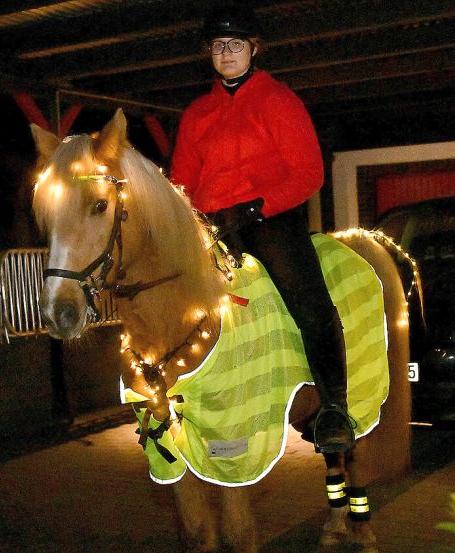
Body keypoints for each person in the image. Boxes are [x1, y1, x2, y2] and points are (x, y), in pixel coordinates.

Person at [171, 5, 354, 453]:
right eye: (218, 46)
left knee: (309, 301)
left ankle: (334, 405)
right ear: (210, 55)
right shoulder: (196, 114)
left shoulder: (278, 101)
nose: (227, 52)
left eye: (236, 44)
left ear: (254, 49)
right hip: (213, 225)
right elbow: (181, 181)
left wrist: (258, 208)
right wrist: (188, 217)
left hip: (269, 220)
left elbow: (309, 173)